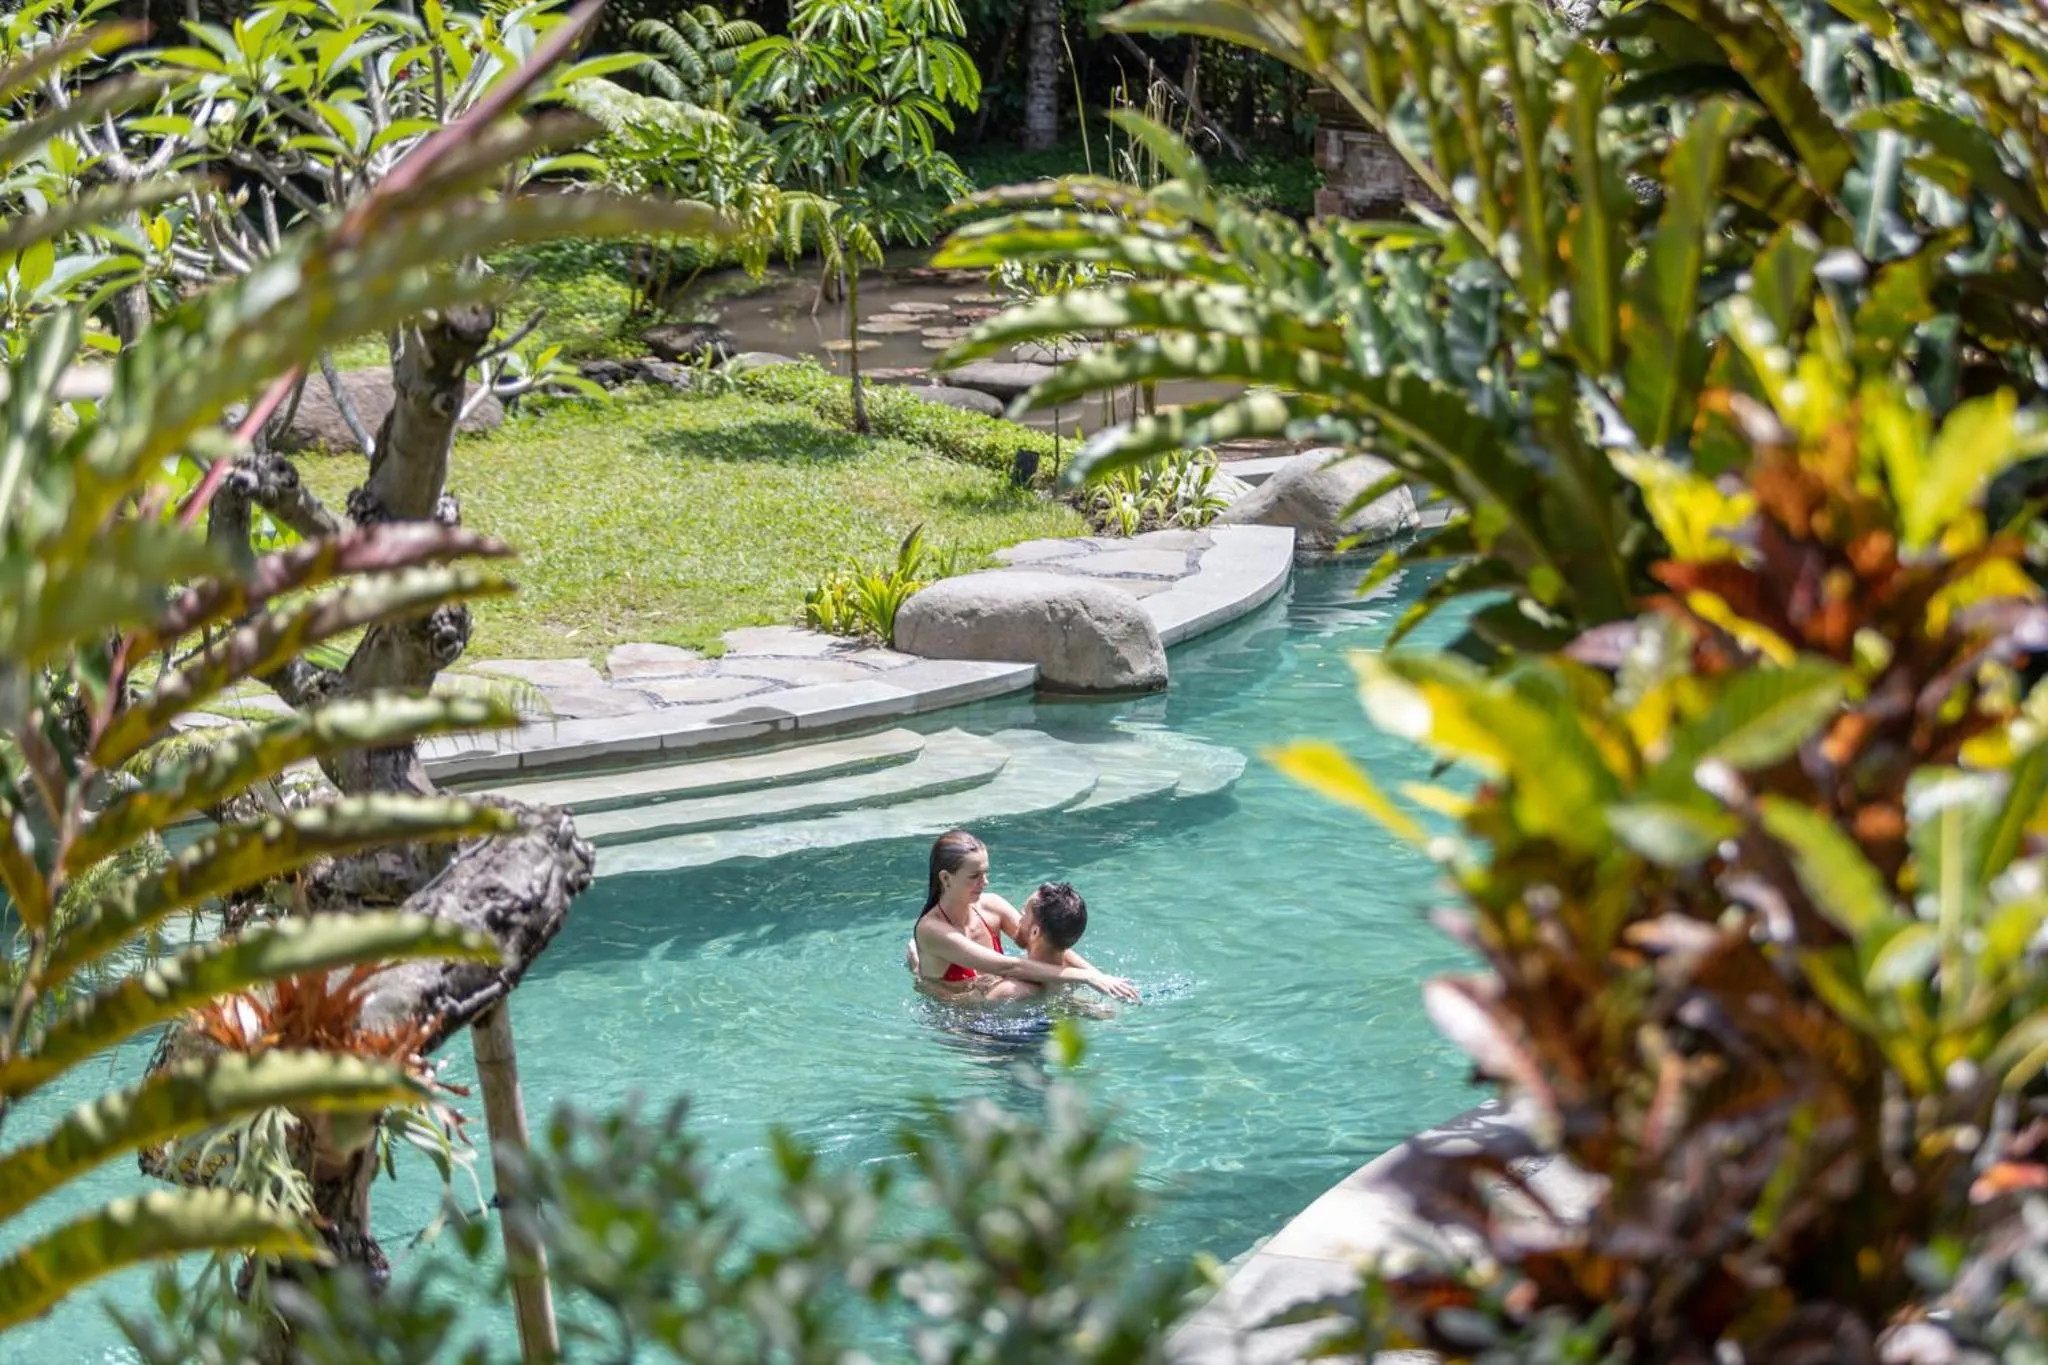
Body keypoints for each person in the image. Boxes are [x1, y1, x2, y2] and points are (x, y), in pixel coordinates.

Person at [909, 830, 1139, 1002]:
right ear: (946, 879)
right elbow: (1008, 968)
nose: (985, 882)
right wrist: (1084, 978)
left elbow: (1047, 937)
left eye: (986, 873)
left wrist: (1100, 977)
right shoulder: (932, 930)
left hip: (993, 1001)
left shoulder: (992, 906)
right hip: (959, 1021)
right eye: (975, 876)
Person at [981, 882, 1090, 1004]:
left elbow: (968, 1017)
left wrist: (976, 990)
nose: (1019, 920)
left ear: (1035, 932)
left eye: (1024, 914)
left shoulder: (1009, 990)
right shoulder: (1072, 981)